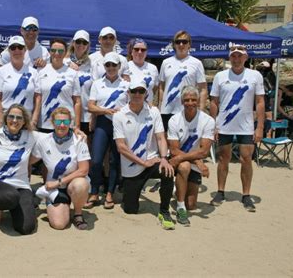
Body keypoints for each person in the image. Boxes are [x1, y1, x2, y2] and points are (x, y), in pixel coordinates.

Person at [113, 80, 175, 230]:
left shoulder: (154, 112)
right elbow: (121, 147)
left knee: (167, 171)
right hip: (133, 167)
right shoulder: (119, 115)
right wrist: (142, 162)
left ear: (146, 94)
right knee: (130, 209)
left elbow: (161, 137)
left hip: (152, 161)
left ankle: (164, 211)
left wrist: (164, 159)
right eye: (134, 91)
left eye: (141, 91)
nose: (137, 94)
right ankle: (128, 192)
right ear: (128, 93)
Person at [209, 44, 265, 212]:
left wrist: (260, 127)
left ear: (245, 58)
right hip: (224, 125)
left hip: (246, 126)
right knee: (223, 159)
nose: (236, 59)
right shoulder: (220, 76)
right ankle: (220, 191)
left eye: (240, 56)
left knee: (246, 159)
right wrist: (213, 125)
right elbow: (213, 102)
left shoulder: (255, 75)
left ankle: (246, 195)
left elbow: (260, 102)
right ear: (229, 58)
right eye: (233, 56)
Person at [0, 104, 38, 235]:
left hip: (21, 186)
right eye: (11, 116)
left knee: (26, 228)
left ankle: (14, 207)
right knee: (9, 196)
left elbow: (53, 136)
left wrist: (78, 133)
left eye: (19, 118)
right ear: (5, 119)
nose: (15, 120)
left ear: (24, 122)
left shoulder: (31, 136)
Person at [31, 107, 91, 230]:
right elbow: (30, 160)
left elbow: (84, 170)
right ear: (52, 123)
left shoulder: (79, 139)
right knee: (59, 224)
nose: (62, 125)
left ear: (71, 123)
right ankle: (61, 205)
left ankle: (78, 213)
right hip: (54, 189)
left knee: (81, 184)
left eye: (66, 122)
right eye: (58, 122)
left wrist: (58, 182)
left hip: (71, 184)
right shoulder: (43, 140)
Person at [86, 52, 129, 209]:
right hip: (103, 123)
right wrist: (106, 111)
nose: (111, 68)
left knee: (114, 161)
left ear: (119, 67)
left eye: (114, 65)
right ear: (104, 66)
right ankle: (95, 191)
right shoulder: (97, 83)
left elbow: (134, 104)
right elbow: (90, 106)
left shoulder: (126, 85)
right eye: (108, 65)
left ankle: (110, 192)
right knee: (96, 160)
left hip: (120, 125)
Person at [167, 86, 215, 226]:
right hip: (181, 162)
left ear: (198, 100)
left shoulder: (208, 121)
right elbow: (174, 150)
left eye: (193, 100)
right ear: (182, 102)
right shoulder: (175, 120)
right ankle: (180, 208)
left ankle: (178, 189)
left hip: (186, 159)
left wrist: (197, 161)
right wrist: (198, 162)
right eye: (186, 100)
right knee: (184, 166)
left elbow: (204, 152)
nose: (190, 103)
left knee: (192, 205)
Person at [158, 30, 207, 131]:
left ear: (189, 44)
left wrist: (201, 110)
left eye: (184, 42)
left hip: (187, 109)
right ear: (174, 45)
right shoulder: (166, 62)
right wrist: (160, 106)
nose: (181, 44)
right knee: (168, 143)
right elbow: (161, 87)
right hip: (167, 110)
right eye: (178, 41)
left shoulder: (196, 63)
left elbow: (203, 89)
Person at [0, 36, 41, 128]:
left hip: (27, 122)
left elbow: (37, 98)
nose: (16, 50)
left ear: (25, 50)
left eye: (20, 47)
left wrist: (34, 121)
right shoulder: (1, 71)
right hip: (7, 121)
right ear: (9, 51)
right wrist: (2, 121)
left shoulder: (34, 72)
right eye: (13, 48)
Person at [37, 38, 81, 133]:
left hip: (65, 123)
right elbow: (37, 98)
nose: (57, 53)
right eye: (53, 50)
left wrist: (77, 126)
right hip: (45, 123)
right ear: (50, 52)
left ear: (65, 53)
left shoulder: (73, 73)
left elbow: (77, 102)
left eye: (60, 51)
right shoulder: (40, 72)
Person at [66, 30, 94, 138]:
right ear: (73, 43)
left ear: (88, 46)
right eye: (78, 42)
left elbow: (95, 91)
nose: (81, 45)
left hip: (86, 116)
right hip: (68, 114)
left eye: (84, 43)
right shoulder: (64, 62)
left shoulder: (92, 64)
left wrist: (93, 115)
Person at [126, 38, 159, 105]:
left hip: (148, 109)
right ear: (131, 51)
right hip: (129, 108)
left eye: (143, 50)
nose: (140, 52)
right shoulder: (125, 67)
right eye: (136, 49)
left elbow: (154, 89)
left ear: (146, 53)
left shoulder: (153, 68)